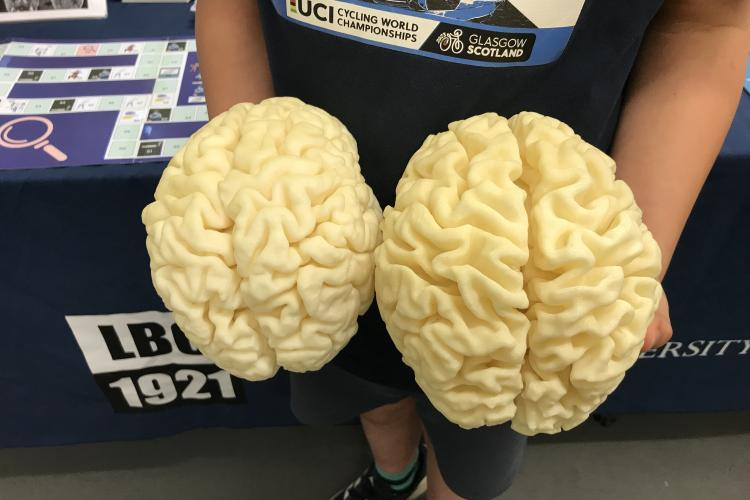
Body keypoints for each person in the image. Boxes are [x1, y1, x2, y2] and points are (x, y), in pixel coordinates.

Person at [195, 1, 750, 498]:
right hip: (314, 239)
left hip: (518, 279)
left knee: (475, 433)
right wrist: (249, 193)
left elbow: (707, 21)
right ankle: (395, 477)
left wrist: (630, 251)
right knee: (363, 391)